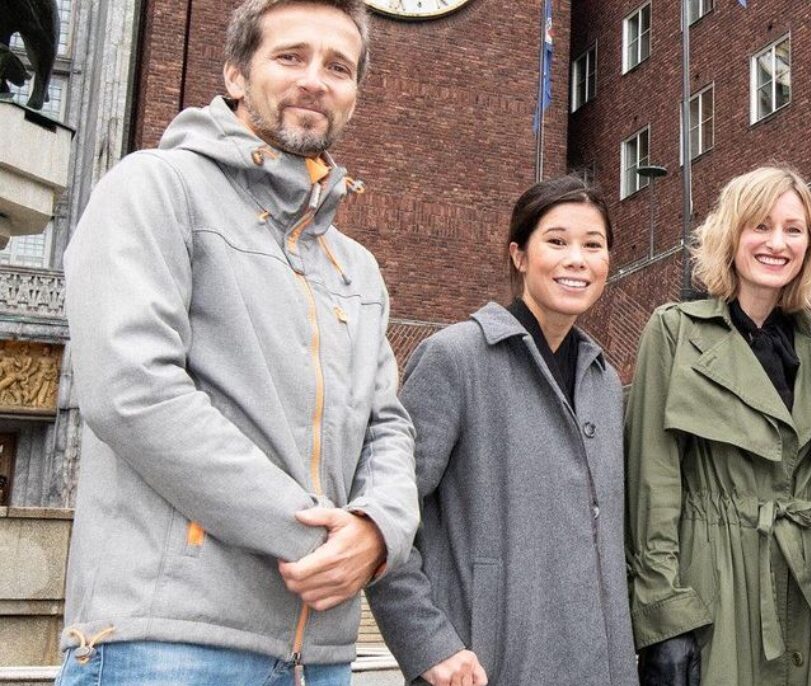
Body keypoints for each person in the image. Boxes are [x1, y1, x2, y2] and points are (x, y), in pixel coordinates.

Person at [58, 1, 418, 683]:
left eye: (338, 67)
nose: (316, 79)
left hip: (320, 659)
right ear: (233, 75)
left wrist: (376, 533)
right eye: (291, 57)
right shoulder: (155, 187)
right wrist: (320, 538)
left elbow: (388, 427)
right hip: (164, 645)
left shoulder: (356, 267)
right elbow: (132, 392)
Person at [367, 176, 637, 686]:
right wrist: (429, 645)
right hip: (483, 665)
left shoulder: (603, 379)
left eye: (592, 245)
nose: (576, 259)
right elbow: (385, 516)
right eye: (556, 241)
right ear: (519, 255)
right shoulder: (457, 358)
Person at [626, 166, 811, 686]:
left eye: (794, 229)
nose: (777, 243)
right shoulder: (674, 333)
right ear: (731, 235)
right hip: (716, 588)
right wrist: (663, 622)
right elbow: (652, 487)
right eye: (760, 226)